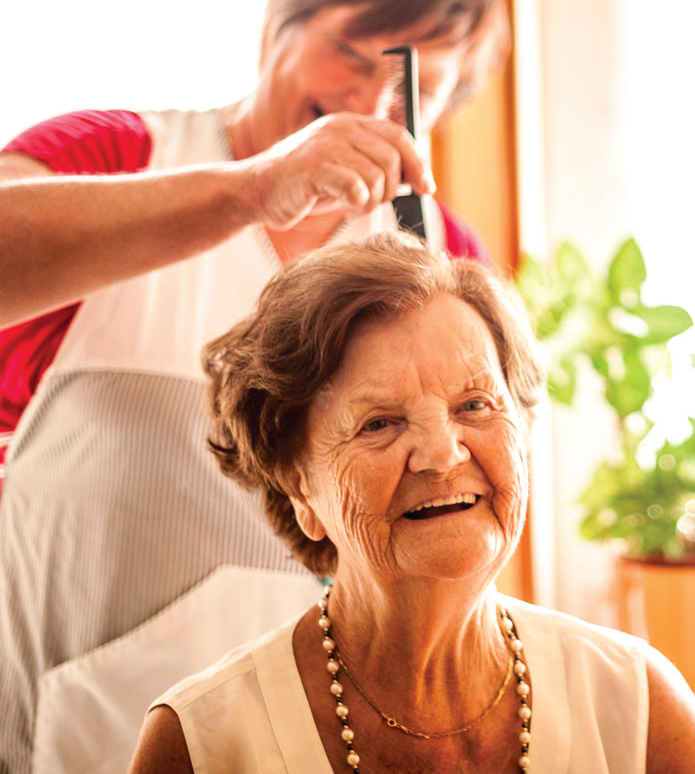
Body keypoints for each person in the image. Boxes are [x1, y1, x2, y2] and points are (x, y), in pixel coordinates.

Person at [0, 2, 511, 773]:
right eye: (351, 52)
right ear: (279, 27)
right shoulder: (115, 155)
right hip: (74, 731)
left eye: (416, 87)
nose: (372, 103)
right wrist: (253, 189)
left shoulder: (438, 252)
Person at [128, 231, 695, 773]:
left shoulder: (640, 708)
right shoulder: (199, 746)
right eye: (380, 423)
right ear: (299, 485)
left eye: (474, 405)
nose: (442, 455)